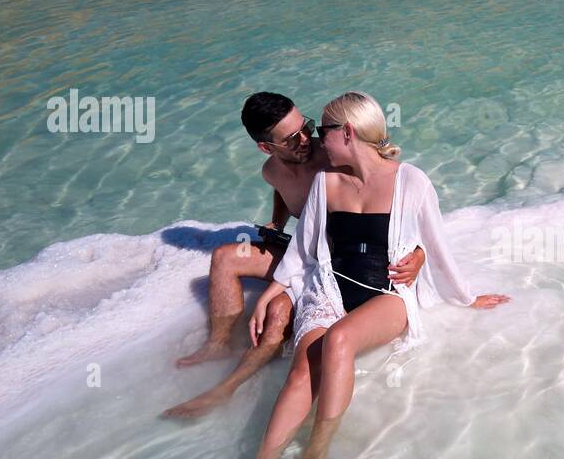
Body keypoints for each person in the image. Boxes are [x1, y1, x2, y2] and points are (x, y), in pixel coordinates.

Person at [233, 92, 509, 459]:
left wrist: (466, 296)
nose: (314, 139)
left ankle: (315, 454)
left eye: (322, 130)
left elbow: (435, 244)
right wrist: (275, 291)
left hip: (387, 297)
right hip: (329, 288)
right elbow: (305, 251)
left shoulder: (411, 181)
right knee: (304, 367)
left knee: (338, 341)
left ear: (346, 132)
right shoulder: (325, 183)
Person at [163, 92, 427, 419]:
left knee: (276, 311)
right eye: (290, 139)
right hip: (301, 248)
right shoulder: (270, 171)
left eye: (307, 128)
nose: (305, 140)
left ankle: (227, 388)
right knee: (224, 257)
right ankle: (219, 343)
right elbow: (284, 191)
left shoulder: (332, 156)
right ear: (266, 147)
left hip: (333, 260)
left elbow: (394, 200)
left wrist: (419, 253)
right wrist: (277, 221)